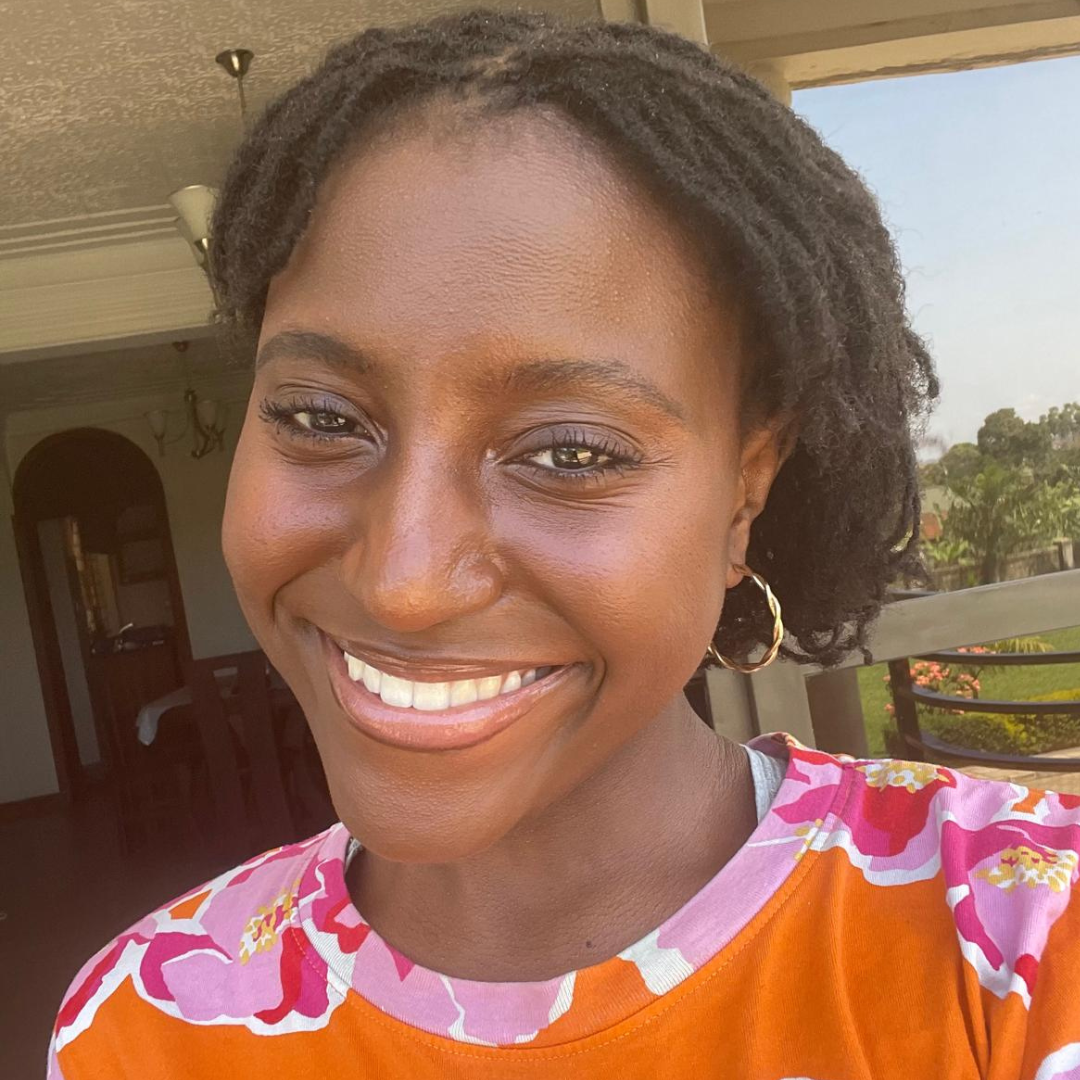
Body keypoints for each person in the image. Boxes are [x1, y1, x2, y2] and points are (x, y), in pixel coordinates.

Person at [49, 9, 1080, 1078]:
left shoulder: (1021, 943)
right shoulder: (149, 1025)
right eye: (320, 419)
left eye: (573, 454)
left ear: (744, 493)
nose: (405, 585)